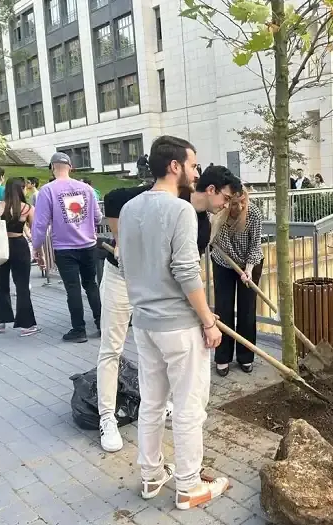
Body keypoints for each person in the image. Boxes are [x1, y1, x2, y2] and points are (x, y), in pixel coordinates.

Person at [118, 136, 231, 509]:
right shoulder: (180, 210)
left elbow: (123, 263)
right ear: (175, 166)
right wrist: (208, 320)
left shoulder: (131, 207)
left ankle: (151, 476)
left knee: (151, 401)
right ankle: (188, 484)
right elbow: (186, 270)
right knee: (188, 405)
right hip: (179, 326)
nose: (196, 173)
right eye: (193, 165)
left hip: (145, 323)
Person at [96, 165, 240, 453]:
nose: (227, 205)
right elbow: (112, 200)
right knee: (112, 347)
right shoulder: (166, 196)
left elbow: (188, 272)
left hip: (157, 290)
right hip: (123, 276)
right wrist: (121, 240)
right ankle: (107, 417)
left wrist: (202, 314)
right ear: (210, 190)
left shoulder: (201, 222)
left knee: (155, 355)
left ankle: (158, 412)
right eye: (226, 198)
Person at [31, 152, 103, 343]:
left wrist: (36, 247)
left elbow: (40, 223)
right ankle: (101, 323)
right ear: (70, 167)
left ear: (52, 168)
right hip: (88, 244)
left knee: (72, 287)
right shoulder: (86, 189)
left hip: (64, 248)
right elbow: (97, 217)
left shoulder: (47, 190)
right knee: (91, 284)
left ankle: (79, 330)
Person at [211, 189, 263, 377]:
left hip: (250, 262)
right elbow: (215, 242)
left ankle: (245, 355)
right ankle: (222, 357)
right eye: (234, 203)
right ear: (226, 203)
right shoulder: (218, 216)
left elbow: (255, 245)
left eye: (242, 202)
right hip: (223, 262)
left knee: (247, 309)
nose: (239, 207)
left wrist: (248, 270)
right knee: (223, 309)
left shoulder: (254, 214)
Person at [0, 178, 40, 336]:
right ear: (21, 189)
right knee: (22, 286)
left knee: (1, 285)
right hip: (19, 246)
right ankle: (27, 325)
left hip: (0, 247)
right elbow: (35, 232)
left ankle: (0, 322)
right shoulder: (27, 208)